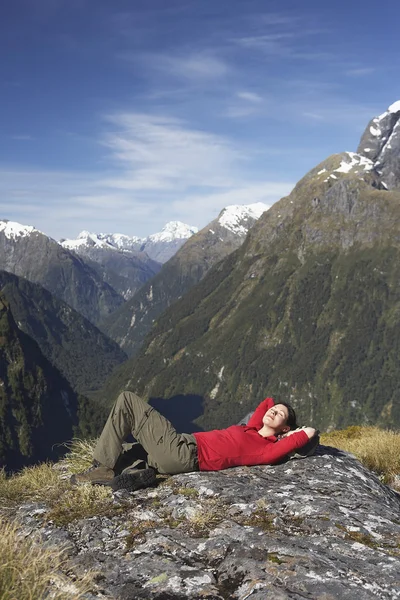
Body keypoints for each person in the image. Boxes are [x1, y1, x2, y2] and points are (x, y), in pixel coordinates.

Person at [72, 391, 318, 492]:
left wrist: (294, 432)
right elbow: (267, 401)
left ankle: (103, 468)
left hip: (185, 452)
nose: (273, 411)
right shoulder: (251, 430)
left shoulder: (267, 449)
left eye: (280, 414)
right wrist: (278, 411)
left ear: (286, 428)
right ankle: (138, 474)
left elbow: (308, 435)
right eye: (274, 410)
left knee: (127, 400)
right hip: (178, 454)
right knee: (124, 449)